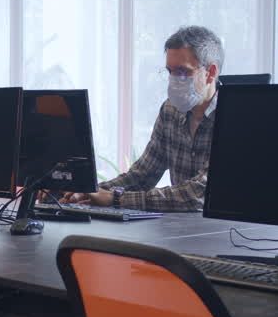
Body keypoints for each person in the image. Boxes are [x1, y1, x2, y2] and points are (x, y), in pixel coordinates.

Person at [66, 25, 222, 212]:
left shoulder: (235, 116)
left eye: (182, 71)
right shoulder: (170, 110)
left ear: (211, 73)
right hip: (181, 229)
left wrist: (116, 199)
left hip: (226, 233)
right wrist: (88, 191)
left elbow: (198, 195)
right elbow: (142, 175)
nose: (173, 79)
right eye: (170, 71)